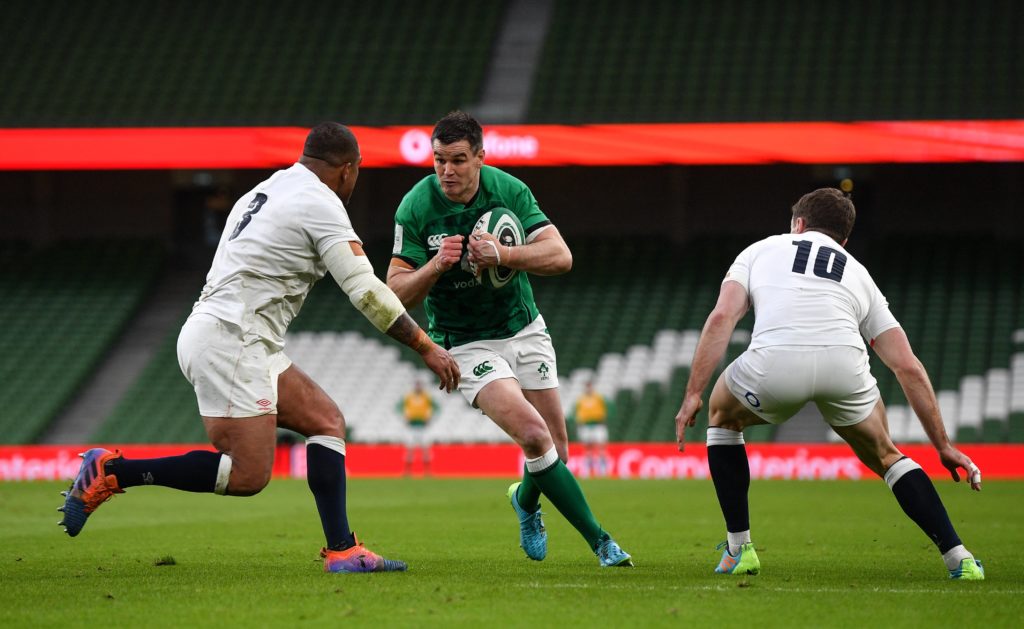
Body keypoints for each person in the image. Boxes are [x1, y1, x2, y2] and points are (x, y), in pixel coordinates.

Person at [59, 122, 460, 574]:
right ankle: (115, 471)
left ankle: (343, 551)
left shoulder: (267, 188)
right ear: (348, 170)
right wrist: (426, 346)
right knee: (249, 476)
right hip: (232, 338)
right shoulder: (320, 202)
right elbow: (365, 291)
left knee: (325, 421)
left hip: (237, 334)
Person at [674, 187, 984, 580]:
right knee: (887, 455)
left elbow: (722, 318)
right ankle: (960, 558)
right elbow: (908, 366)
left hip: (775, 366)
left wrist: (693, 395)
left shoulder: (761, 250)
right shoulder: (858, 272)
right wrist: (943, 445)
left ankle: (739, 549)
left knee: (722, 417)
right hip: (844, 366)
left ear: (798, 225)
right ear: (844, 239)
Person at [386, 111, 632, 567]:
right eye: (439, 160)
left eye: (458, 160)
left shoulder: (509, 190)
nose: (447, 171)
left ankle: (524, 500)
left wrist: (503, 253)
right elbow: (394, 292)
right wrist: (436, 266)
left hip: (524, 328)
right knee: (536, 435)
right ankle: (602, 542)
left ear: (480, 157)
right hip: (465, 343)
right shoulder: (416, 207)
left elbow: (561, 256)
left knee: (557, 443)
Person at [570, 381, 611, 478]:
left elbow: (606, 410)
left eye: (590, 386)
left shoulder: (599, 397)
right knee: (588, 449)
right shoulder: (580, 399)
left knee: (601, 448)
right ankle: (588, 470)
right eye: (587, 386)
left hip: (597, 424)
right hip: (586, 426)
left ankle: (603, 471)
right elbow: (577, 413)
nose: (588, 388)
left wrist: (603, 420)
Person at [399, 380, 438, 475]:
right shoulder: (409, 396)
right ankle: (407, 472)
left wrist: (430, 416)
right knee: (410, 449)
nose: (418, 387)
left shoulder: (426, 396)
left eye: (419, 385)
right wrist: (405, 415)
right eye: (416, 385)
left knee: (425, 449)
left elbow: (436, 407)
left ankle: (427, 472)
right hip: (411, 426)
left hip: (423, 426)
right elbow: (399, 407)